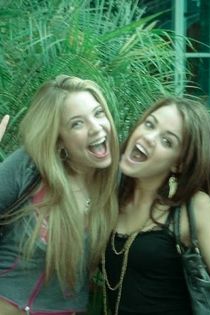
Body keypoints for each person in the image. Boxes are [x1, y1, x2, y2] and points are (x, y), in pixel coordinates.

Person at [102, 97, 210, 315]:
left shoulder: (193, 207)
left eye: (167, 141)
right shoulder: (111, 195)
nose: (149, 137)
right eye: (149, 124)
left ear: (178, 163)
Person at [0, 75, 120, 315]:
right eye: (77, 123)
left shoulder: (118, 182)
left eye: (98, 113)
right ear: (59, 140)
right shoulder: (30, 168)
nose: (96, 127)